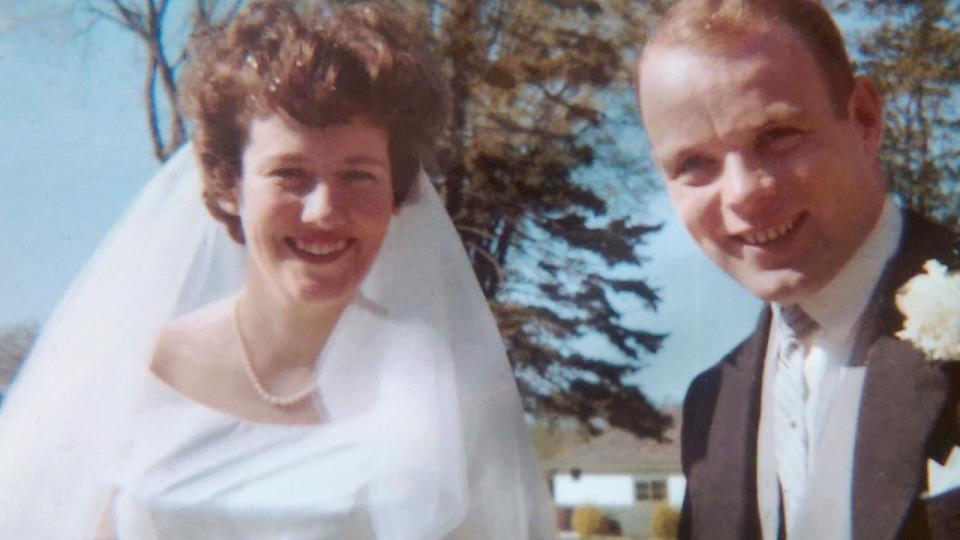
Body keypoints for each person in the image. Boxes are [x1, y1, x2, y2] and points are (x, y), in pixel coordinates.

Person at [0, 1, 556, 538]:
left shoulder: (448, 389)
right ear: (230, 184)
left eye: (358, 175)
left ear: (397, 192)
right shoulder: (135, 368)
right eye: (290, 174)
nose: (323, 211)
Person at [635, 0, 960, 538]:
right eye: (695, 164)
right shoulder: (709, 407)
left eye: (777, 135)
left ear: (864, 119)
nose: (743, 195)